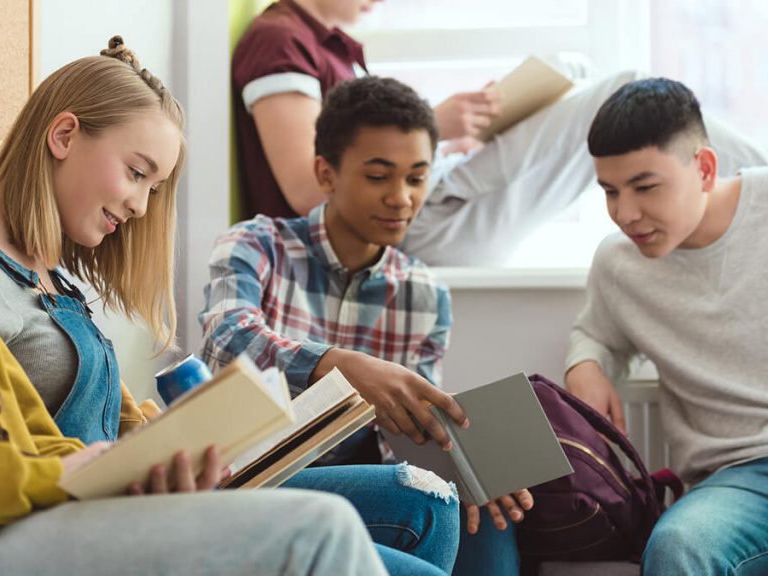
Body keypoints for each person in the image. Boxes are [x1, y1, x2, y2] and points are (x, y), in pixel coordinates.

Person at [0, 2, 393, 575]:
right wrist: (83, 471)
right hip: (7, 526)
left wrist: (144, 456)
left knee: (416, 503)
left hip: (68, 502)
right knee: (329, 529)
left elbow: (25, 437)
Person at [202, 75, 533, 576]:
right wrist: (337, 367)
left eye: (417, 178)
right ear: (326, 173)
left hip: (365, 481)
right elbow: (225, 340)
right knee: (424, 499)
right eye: (379, 176)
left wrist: (468, 467)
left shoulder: (425, 294)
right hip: (254, 478)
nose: (402, 198)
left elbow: (405, 436)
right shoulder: (256, 244)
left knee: (485, 513)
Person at [565, 77, 768, 574]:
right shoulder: (618, 265)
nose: (625, 214)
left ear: (705, 168)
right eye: (609, 191)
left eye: (645, 187)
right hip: (744, 484)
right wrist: (585, 363)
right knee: (677, 548)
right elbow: (595, 332)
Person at [232, 0, 768, 265]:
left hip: (437, 206)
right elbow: (309, 190)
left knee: (580, 78)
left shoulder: (328, 49)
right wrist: (435, 127)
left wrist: (462, 135)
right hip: (420, 226)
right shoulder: (280, 42)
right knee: (630, 86)